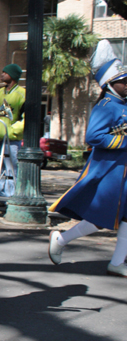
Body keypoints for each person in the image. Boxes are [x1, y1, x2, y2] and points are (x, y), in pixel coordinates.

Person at [48, 40, 127, 277]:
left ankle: (117, 262)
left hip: (122, 170)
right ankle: (61, 238)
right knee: (99, 217)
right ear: (110, 84)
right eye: (123, 81)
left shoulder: (122, 105)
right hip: (109, 170)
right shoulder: (106, 106)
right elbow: (94, 136)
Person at [0, 63, 25, 197]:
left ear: (12, 76)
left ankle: (11, 197)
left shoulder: (22, 94)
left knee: (11, 170)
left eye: (5, 72)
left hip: (11, 141)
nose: (2, 74)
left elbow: (27, 118)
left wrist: (12, 131)